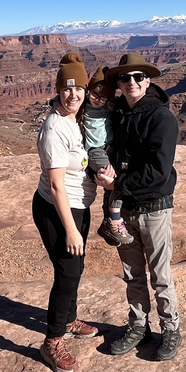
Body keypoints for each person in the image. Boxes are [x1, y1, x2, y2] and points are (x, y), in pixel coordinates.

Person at [95, 53, 182, 361]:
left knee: (160, 275)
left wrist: (116, 185)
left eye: (137, 77)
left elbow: (158, 171)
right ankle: (139, 327)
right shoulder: (116, 114)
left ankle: (170, 329)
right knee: (132, 274)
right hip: (122, 210)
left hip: (153, 208)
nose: (131, 82)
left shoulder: (161, 117)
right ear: (118, 83)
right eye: (124, 78)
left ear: (148, 80)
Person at [32, 52, 99, 372]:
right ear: (58, 91)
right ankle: (53, 340)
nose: (73, 95)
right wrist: (70, 230)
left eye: (79, 89)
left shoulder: (79, 118)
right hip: (56, 209)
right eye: (67, 89)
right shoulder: (54, 128)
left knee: (76, 266)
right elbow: (57, 186)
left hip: (79, 205)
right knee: (68, 271)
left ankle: (69, 318)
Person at [84, 65, 134, 247]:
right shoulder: (82, 103)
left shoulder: (111, 105)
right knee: (113, 177)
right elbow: (64, 95)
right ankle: (114, 221)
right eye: (94, 95)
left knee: (121, 178)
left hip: (111, 148)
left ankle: (108, 220)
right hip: (95, 150)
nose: (97, 100)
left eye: (103, 97)